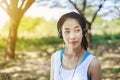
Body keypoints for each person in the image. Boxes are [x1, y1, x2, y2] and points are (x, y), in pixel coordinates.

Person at [50, 12, 101, 80]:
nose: (72, 36)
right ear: (61, 35)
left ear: (83, 32)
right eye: (67, 31)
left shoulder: (93, 63)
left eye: (77, 30)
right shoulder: (55, 57)